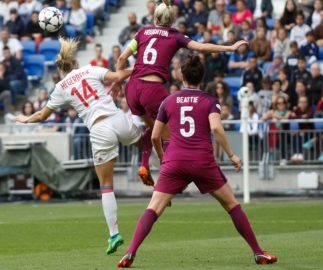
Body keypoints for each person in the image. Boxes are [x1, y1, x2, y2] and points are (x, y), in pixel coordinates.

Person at [116, 55, 277, 268]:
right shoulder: (210, 101)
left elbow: (155, 136)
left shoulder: (168, 100)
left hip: (175, 161)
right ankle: (258, 253)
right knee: (232, 205)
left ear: (181, 76)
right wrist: (231, 155)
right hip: (202, 161)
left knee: (153, 208)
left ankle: (130, 252)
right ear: (202, 77)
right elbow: (217, 129)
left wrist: (163, 160)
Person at [16, 37, 142, 255]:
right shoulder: (91, 69)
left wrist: (25, 119)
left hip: (100, 130)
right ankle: (156, 163)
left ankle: (114, 234)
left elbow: (43, 115)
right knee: (144, 134)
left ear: (60, 70)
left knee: (106, 186)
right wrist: (141, 67)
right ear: (74, 63)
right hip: (117, 118)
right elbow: (119, 75)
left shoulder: (60, 88)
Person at [115, 0, 247, 186]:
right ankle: (165, 181)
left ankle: (144, 165)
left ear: (155, 17)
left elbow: (121, 58)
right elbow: (201, 48)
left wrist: (118, 82)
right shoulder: (174, 35)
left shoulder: (143, 31)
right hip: (152, 90)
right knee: (169, 137)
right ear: (173, 19)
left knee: (152, 129)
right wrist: (229, 47)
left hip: (132, 88)